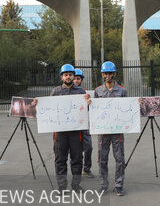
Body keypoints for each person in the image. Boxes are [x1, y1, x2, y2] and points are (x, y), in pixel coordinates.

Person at [33, 64, 91, 191]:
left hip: (76, 131)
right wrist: (38, 104)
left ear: (73, 76)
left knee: (77, 159)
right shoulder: (56, 91)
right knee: (60, 159)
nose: (68, 77)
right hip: (60, 132)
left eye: (70, 75)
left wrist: (88, 102)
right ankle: (62, 186)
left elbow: (86, 110)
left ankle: (76, 185)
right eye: (66, 75)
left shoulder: (81, 92)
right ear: (62, 77)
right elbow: (49, 109)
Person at [94, 61, 128, 196]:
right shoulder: (97, 91)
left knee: (119, 158)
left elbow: (126, 109)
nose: (108, 76)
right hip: (103, 131)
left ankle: (119, 185)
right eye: (106, 73)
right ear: (102, 74)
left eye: (111, 73)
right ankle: (103, 185)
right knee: (102, 158)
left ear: (115, 74)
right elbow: (95, 111)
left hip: (117, 131)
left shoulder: (122, 91)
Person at [73, 68, 95, 179]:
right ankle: (76, 172)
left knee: (89, 147)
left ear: (81, 80)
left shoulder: (85, 93)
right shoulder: (65, 93)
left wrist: (89, 102)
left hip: (84, 125)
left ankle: (86, 169)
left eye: (78, 79)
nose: (76, 81)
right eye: (74, 78)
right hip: (72, 126)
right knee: (74, 150)